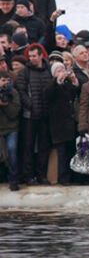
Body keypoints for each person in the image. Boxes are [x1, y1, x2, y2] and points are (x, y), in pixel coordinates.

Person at [16, 43, 52, 185]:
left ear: (41, 55)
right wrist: (30, 105)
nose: (32, 59)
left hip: (45, 114)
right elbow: (21, 91)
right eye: (30, 56)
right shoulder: (25, 72)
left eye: (34, 56)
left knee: (44, 146)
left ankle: (41, 175)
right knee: (28, 146)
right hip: (29, 115)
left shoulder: (48, 69)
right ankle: (28, 176)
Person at [48, 61, 80, 186]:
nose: (61, 73)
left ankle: (72, 177)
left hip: (70, 124)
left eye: (62, 70)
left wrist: (74, 80)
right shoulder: (51, 85)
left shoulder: (67, 85)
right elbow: (48, 94)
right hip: (58, 125)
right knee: (62, 153)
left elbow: (75, 92)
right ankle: (63, 178)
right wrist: (57, 81)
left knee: (71, 151)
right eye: (58, 71)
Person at [0, 71, 20, 191]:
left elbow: (14, 113)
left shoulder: (13, 93)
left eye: (8, 81)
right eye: (3, 80)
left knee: (12, 152)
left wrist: (4, 104)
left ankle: (13, 180)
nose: (5, 83)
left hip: (11, 128)